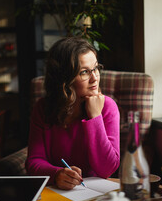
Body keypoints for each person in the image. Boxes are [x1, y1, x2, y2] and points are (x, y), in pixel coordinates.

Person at [25, 37, 120, 190]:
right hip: (57, 191)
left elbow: (107, 169)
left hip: (95, 193)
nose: (95, 78)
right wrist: (57, 174)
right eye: (84, 72)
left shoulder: (108, 107)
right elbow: (34, 161)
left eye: (95, 68)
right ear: (64, 79)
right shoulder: (43, 108)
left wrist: (95, 116)